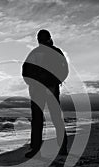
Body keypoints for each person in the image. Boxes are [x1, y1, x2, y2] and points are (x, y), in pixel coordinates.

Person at [22, 29, 69, 158]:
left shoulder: (56, 52)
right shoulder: (34, 53)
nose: (41, 40)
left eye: (43, 38)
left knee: (54, 118)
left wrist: (53, 83)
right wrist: (32, 84)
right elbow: (25, 71)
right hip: (37, 90)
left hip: (50, 89)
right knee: (38, 119)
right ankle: (36, 149)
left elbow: (64, 70)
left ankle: (62, 147)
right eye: (40, 38)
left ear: (49, 38)